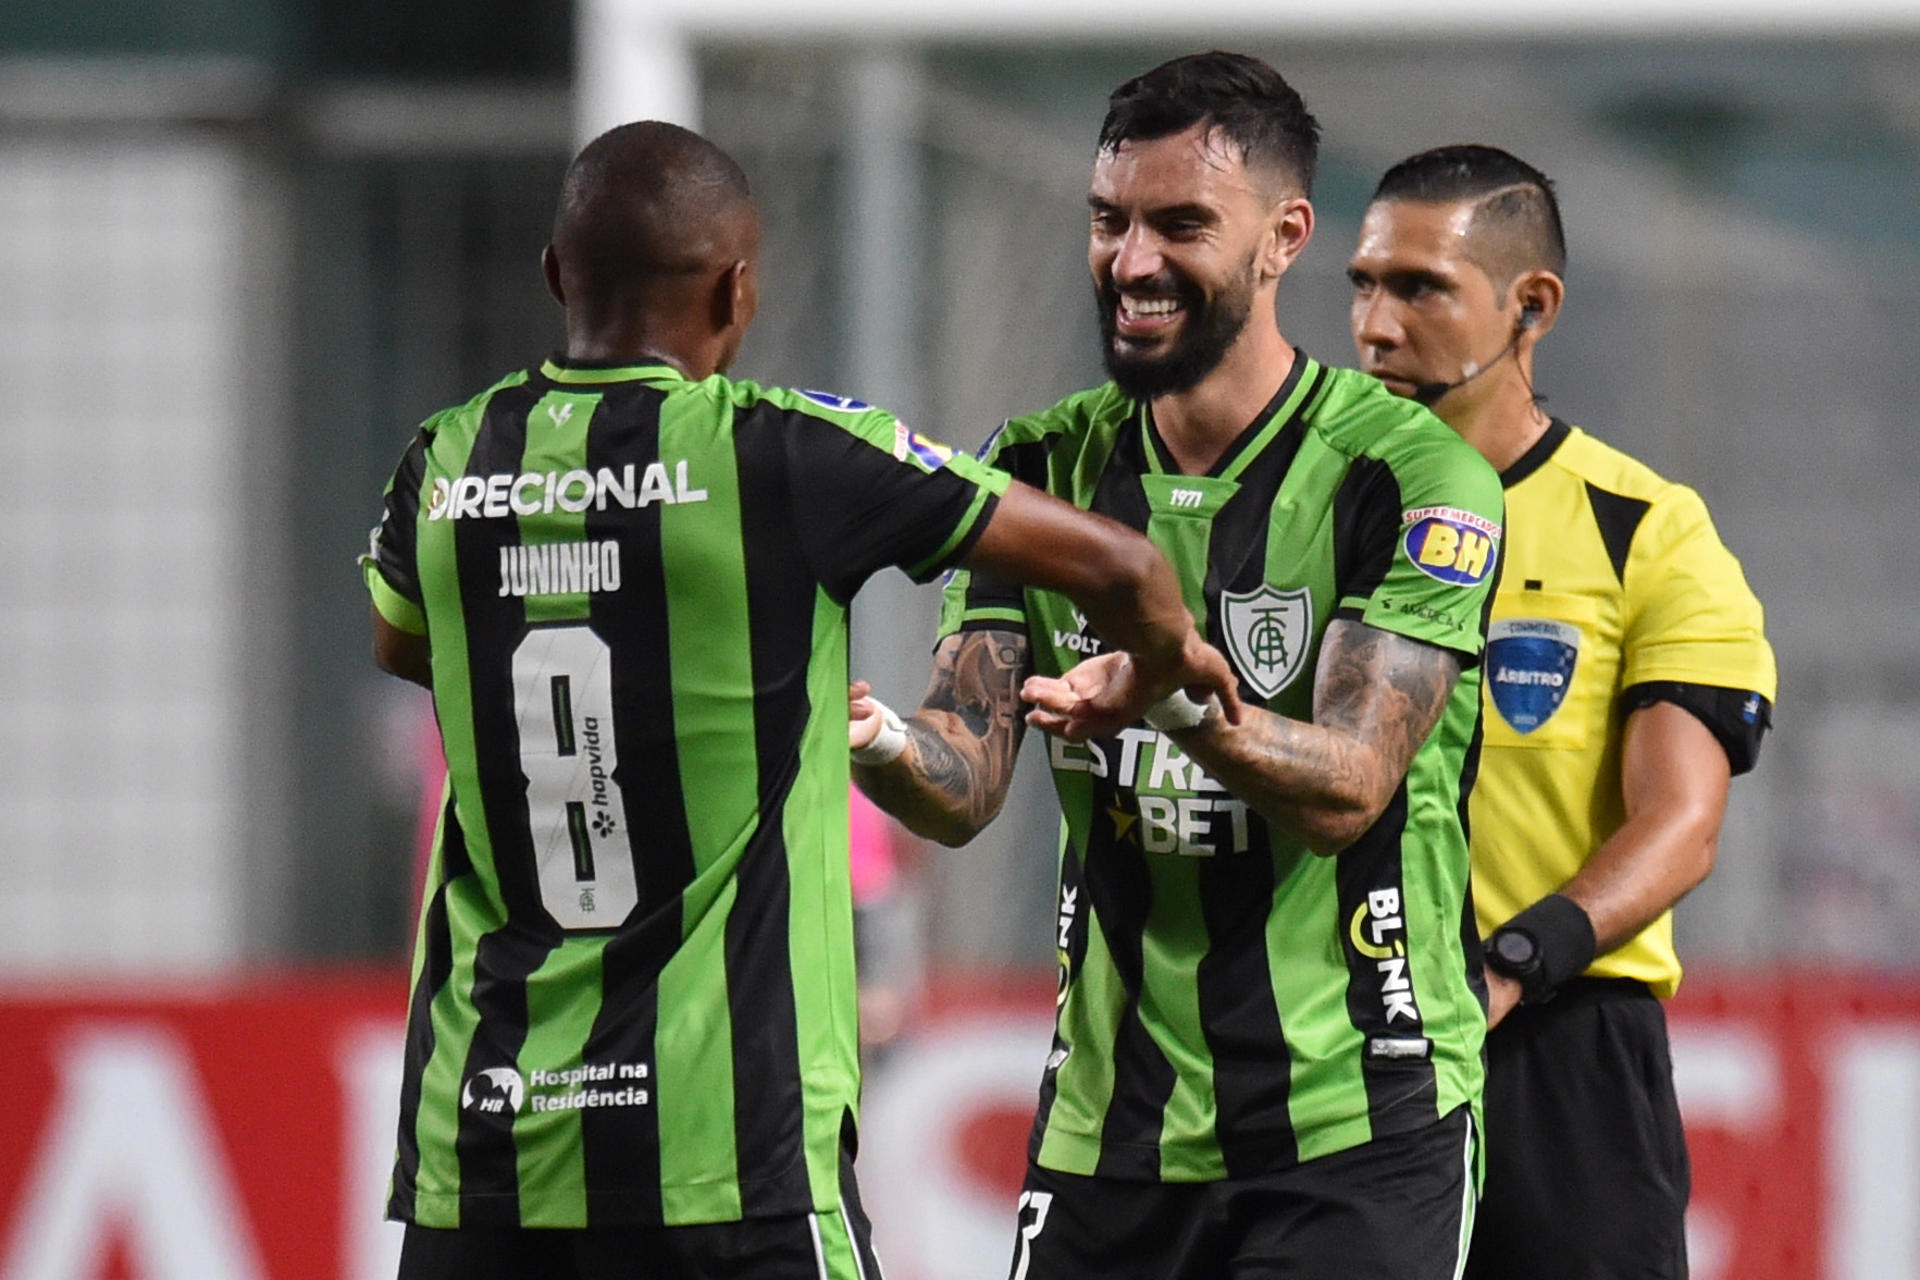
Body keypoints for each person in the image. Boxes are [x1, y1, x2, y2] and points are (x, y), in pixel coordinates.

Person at [361, 119, 1242, 1280]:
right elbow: (1125, 568)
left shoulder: (447, 460)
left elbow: (403, 642)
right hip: (731, 1148)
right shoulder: (784, 453)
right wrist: (1160, 671)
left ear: (554, 274)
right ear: (739, 291)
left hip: (484, 1147)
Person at [850, 53, 1504, 1279]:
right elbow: (966, 775)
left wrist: (1182, 696)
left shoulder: (1409, 477)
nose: (1133, 261)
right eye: (1111, 220)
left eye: (1181, 224)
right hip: (1112, 1124)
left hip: (1357, 1109)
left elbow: (1354, 784)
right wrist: (869, 738)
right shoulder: (1037, 472)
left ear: (1284, 238)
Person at [1346, 144, 1777, 1279]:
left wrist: (1515, 961)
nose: (1375, 325)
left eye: (1420, 287)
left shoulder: (1648, 529)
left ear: (1529, 306)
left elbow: (1680, 822)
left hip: (1556, 1039)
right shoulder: (1305, 512)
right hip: (1336, 1036)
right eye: (1364, 284)